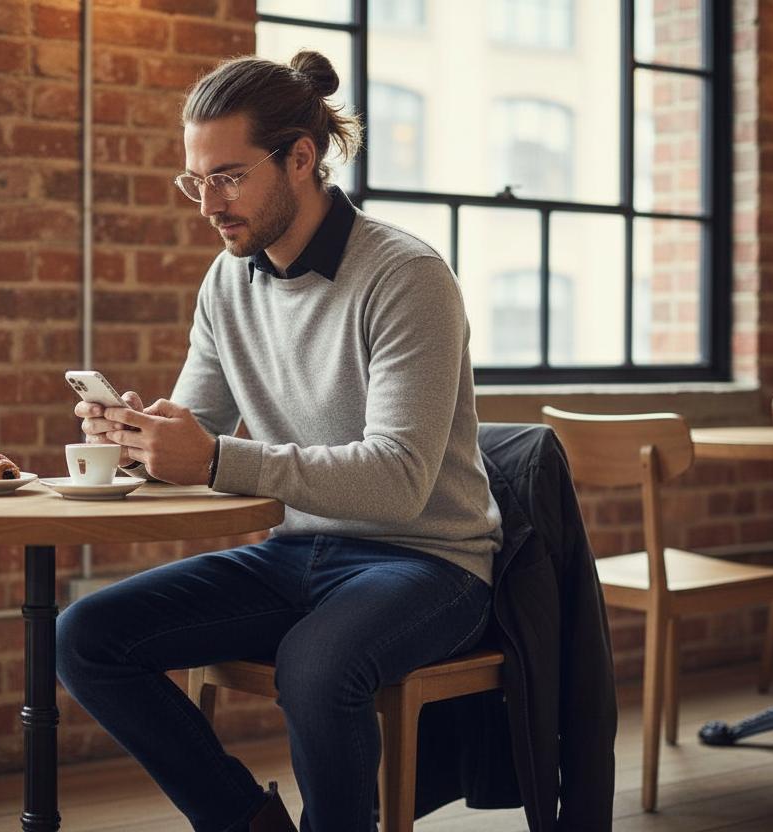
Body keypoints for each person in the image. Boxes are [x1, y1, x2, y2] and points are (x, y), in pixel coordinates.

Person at [55, 50, 502, 832]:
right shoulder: (227, 281)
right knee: (84, 636)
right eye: (195, 181)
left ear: (300, 159)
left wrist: (213, 457)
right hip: (297, 552)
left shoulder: (407, 276)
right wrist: (139, 440)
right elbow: (196, 430)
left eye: (228, 178)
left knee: (316, 667)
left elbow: (398, 479)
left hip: (429, 560)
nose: (208, 205)